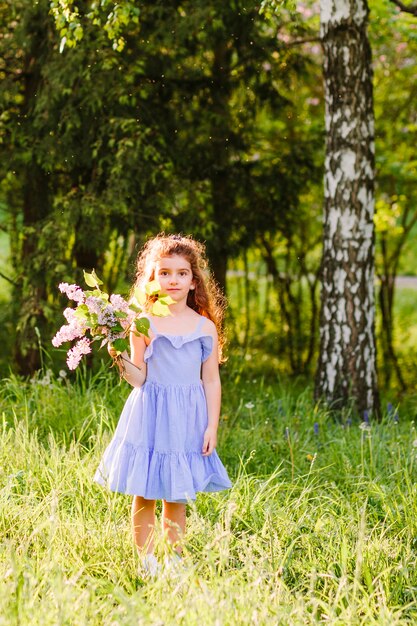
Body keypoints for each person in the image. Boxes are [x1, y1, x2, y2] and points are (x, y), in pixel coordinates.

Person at [95, 233, 232, 576]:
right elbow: (139, 378)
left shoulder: (204, 327)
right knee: (144, 492)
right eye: (165, 272)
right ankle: (147, 562)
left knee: (176, 494)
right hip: (150, 412)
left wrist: (212, 425)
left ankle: (174, 560)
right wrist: (118, 355)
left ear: (192, 281)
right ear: (152, 278)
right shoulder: (143, 323)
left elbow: (211, 380)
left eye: (181, 273)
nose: (173, 279)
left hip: (187, 416)